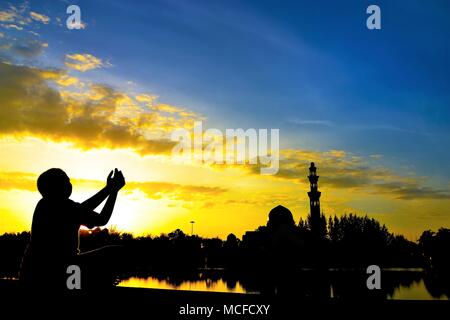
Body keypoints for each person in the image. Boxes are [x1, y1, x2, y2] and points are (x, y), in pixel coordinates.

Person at [19, 168, 126, 290]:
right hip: (61, 271)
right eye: (67, 181)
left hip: (33, 273)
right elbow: (102, 219)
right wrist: (114, 191)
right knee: (116, 252)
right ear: (58, 187)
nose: (70, 184)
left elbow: (83, 208)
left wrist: (109, 189)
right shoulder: (65, 207)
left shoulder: (44, 204)